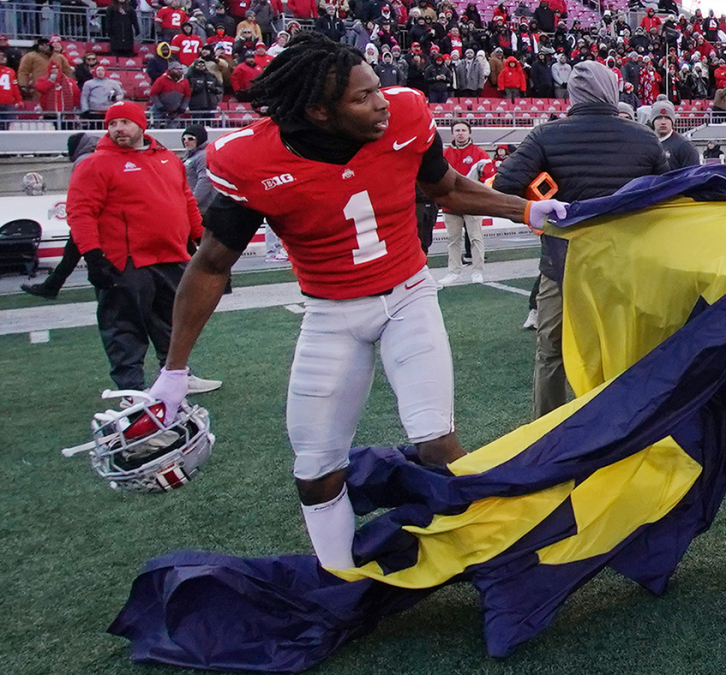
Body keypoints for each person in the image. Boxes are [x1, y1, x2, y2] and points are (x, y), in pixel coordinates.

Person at [145, 33, 566, 571]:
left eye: (377, 88)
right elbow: (211, 264)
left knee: (436, 441)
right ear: (319, 111)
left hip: (409, 297)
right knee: (316, 468)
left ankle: (500, 552)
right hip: (330, 314)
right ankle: (340, 578)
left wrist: (526, 211)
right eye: (362, 98)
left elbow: (447, 189)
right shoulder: (250, 159)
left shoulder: (408, 114)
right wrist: (175, 370)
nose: (382, 102)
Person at [493, 61, 667, 418]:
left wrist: (539, 200)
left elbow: (503, 185)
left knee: (551, 352)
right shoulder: (645, 138)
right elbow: (667, 200)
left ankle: (546, 433)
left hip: (562, 262)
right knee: (625, 348)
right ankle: (624, 424)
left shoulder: (546, 135)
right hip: (625, 264)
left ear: (571, 94)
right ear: (612, 91)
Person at [65, 102, 220, 396]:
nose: (118, 129)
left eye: (125, 122)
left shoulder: (167, 159)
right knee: (124, 328)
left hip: (172, 255)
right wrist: (93, 256)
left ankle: (176, 376)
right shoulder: (94, 163)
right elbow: (80, 212)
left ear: (141, 125)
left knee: (174, 324)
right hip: (126, 261)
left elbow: (185, 200)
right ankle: (130, 389)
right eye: (112, 124)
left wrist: (202, 240)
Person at [21, 133, 98, 300]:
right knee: (72, 253)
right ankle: (52, 285)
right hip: (93, 216)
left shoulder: (84, 161)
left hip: (90, 217)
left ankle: (53, 285)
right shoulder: (93, 157)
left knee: (82, 254)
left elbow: (82, 194)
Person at [439, 120, 491, 285]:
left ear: (469, 133)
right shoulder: (444, 154)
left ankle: (477, 271)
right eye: (457, 130)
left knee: (476, 238)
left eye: (463, 130)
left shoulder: (480, 154)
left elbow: (489, 178)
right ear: (452, 133)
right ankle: (454, 272)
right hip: (450, 203)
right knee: (453, 239)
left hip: (472, 204)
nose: (460, 133)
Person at [649, 100, 699, 171]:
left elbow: (693, 175)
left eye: (667, 118)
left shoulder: (684, 146)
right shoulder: (647, 143)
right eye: (659, 118)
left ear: (673, 121)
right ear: (653, 121)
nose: (663, 122)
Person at [181, 125, 215, 214]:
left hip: (202, 209)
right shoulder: (190, 155)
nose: (186, 141)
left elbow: (205, 181)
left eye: (190, 138)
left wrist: (192, 202)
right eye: (184, 139)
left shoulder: (203, 156)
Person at [149, 61, 191, 125]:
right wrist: (160, 106)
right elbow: (153, 94)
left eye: (180, 69)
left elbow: (187, 96)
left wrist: (183, 107)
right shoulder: (161, 80)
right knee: (158, 127)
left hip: (175, 111)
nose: (179, 71)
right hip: (160, 110)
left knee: (173, 129)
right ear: (171, 70)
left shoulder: (185, 82)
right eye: (176, 69)